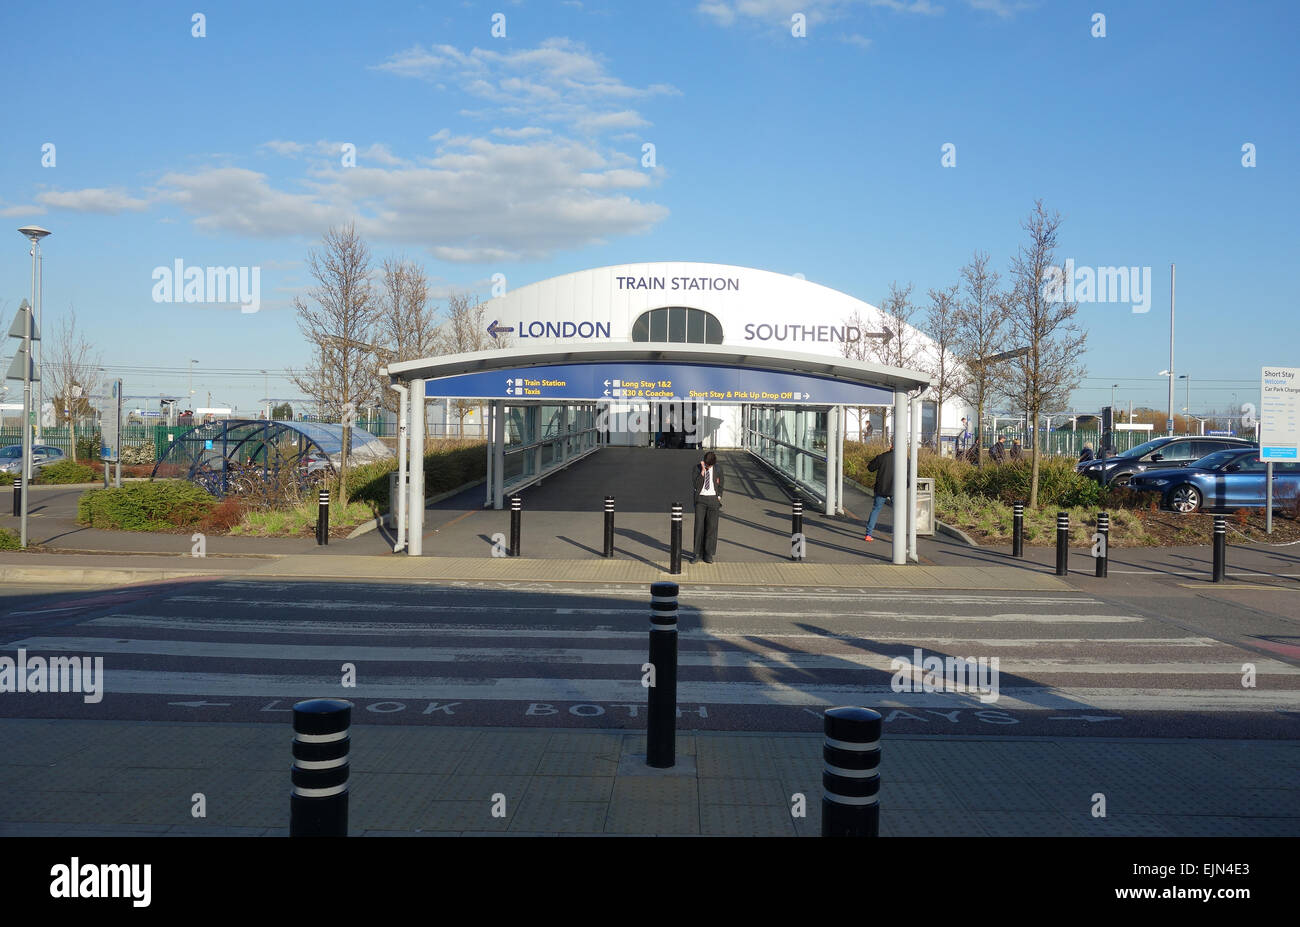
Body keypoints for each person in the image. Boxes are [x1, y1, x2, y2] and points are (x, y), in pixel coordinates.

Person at [691, 451, 724, 563]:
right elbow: (696, 485)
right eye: (706, 464)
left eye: (709, 465)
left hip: (713, 501)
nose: (708, 466)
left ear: (714, 464)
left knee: (711, 528)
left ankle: (708, 554)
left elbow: (721, 484)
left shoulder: (718, 469)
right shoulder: (697, 468)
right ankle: (697, 553)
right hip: (701, 500)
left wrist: (719, 497)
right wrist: (703, 472)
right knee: (699, 527)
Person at [863, 443, 895, 542]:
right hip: (896, 489)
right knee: (898, 512)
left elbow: (870, 468)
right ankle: (898, 535)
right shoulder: (905, 459)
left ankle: (868, 534)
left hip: (881, 488)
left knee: (876, 509)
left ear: (891, 446)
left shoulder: (882, 457)